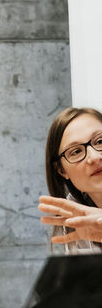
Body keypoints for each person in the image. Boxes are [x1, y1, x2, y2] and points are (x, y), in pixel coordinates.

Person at [39, 106, 102, 253]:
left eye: (100, 141)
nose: (94, 157)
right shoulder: (76, 219)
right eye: (76, 151)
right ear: (61, 170)